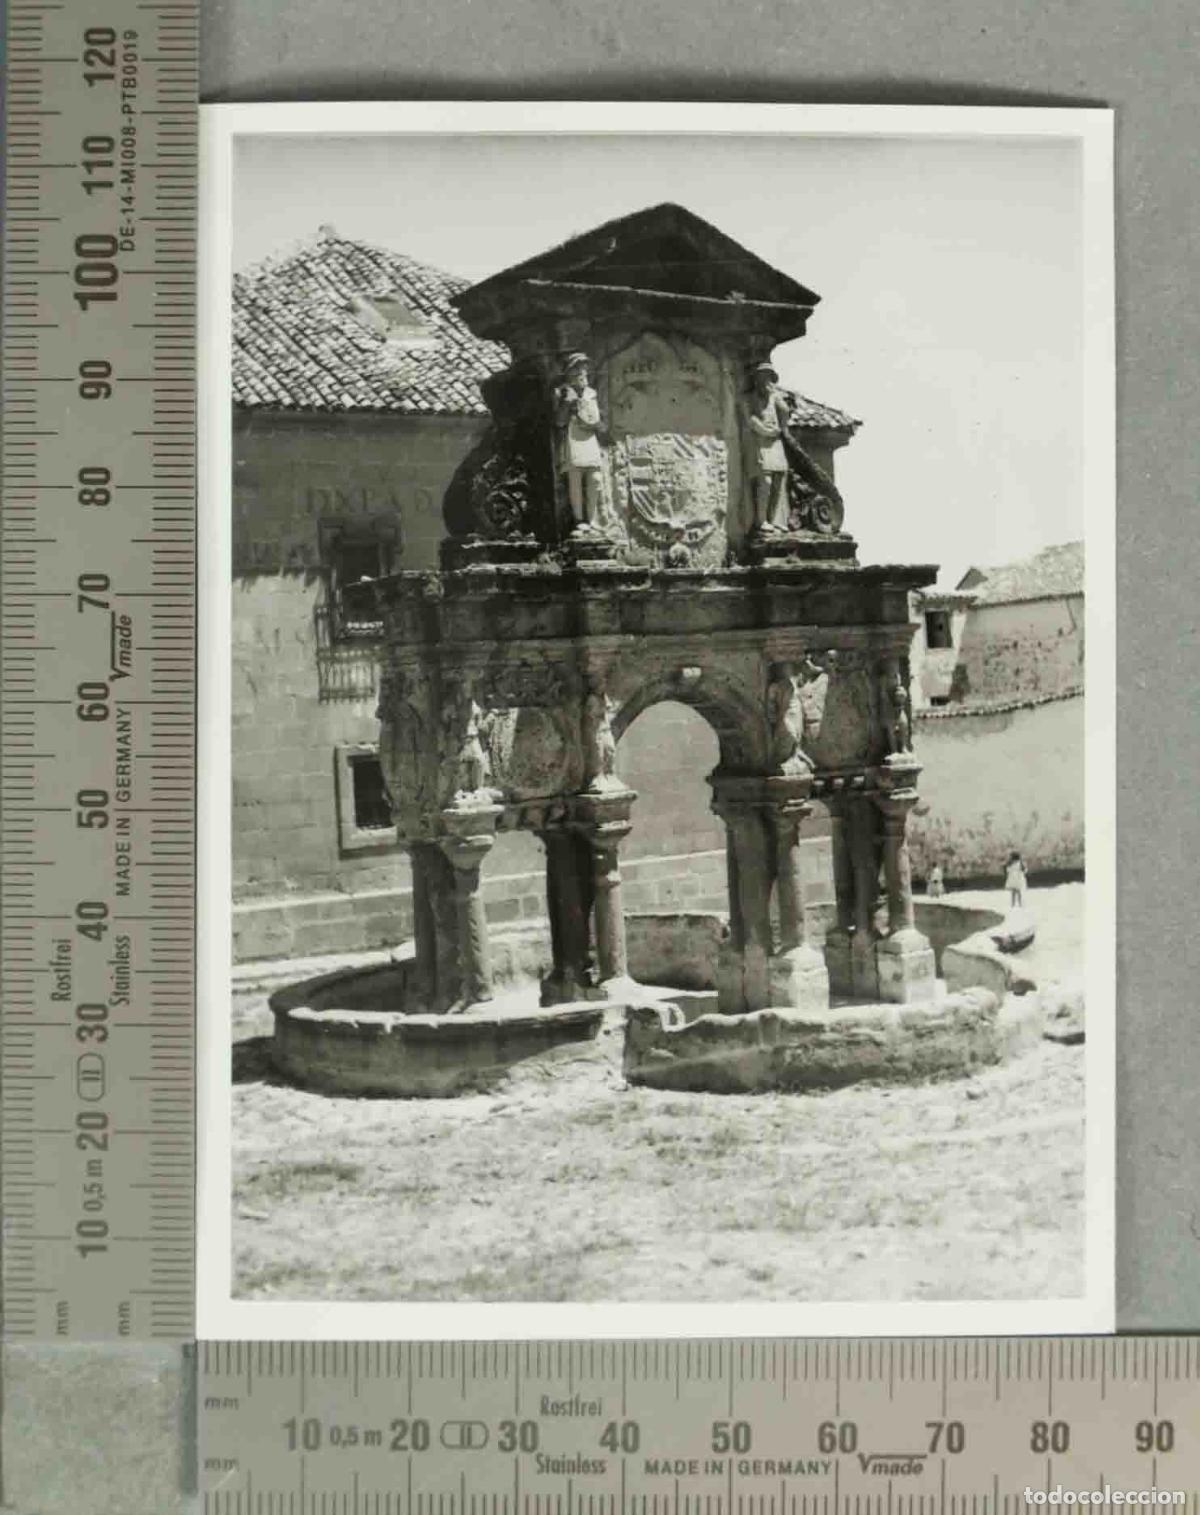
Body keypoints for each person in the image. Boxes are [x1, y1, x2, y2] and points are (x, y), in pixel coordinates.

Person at [553, 352, 604, 534]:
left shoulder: (591, 394)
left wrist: (581, 403)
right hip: (572, 440)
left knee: (595, 479)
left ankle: (592, 519)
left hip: (589, 440)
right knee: (575, 481)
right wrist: (567, 404)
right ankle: (579, 520)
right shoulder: (562, 392)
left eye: (584, 369)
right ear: (570, 372)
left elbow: (595, 420)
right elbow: (559, 422)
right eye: (578, 369)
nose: (582, 373)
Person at [741, 360, 792, 535]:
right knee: (765, 481)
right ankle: (761, 519)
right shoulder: (749, 398)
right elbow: (750, 419)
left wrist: (778, 398)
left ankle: (775, 519)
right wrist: (764, 430)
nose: (765, 381)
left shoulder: (774, 397)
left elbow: (785, 413)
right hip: (760, 442)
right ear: (756, 379)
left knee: (779, 480)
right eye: (762, 377)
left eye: (769, 378)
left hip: (775, 442)